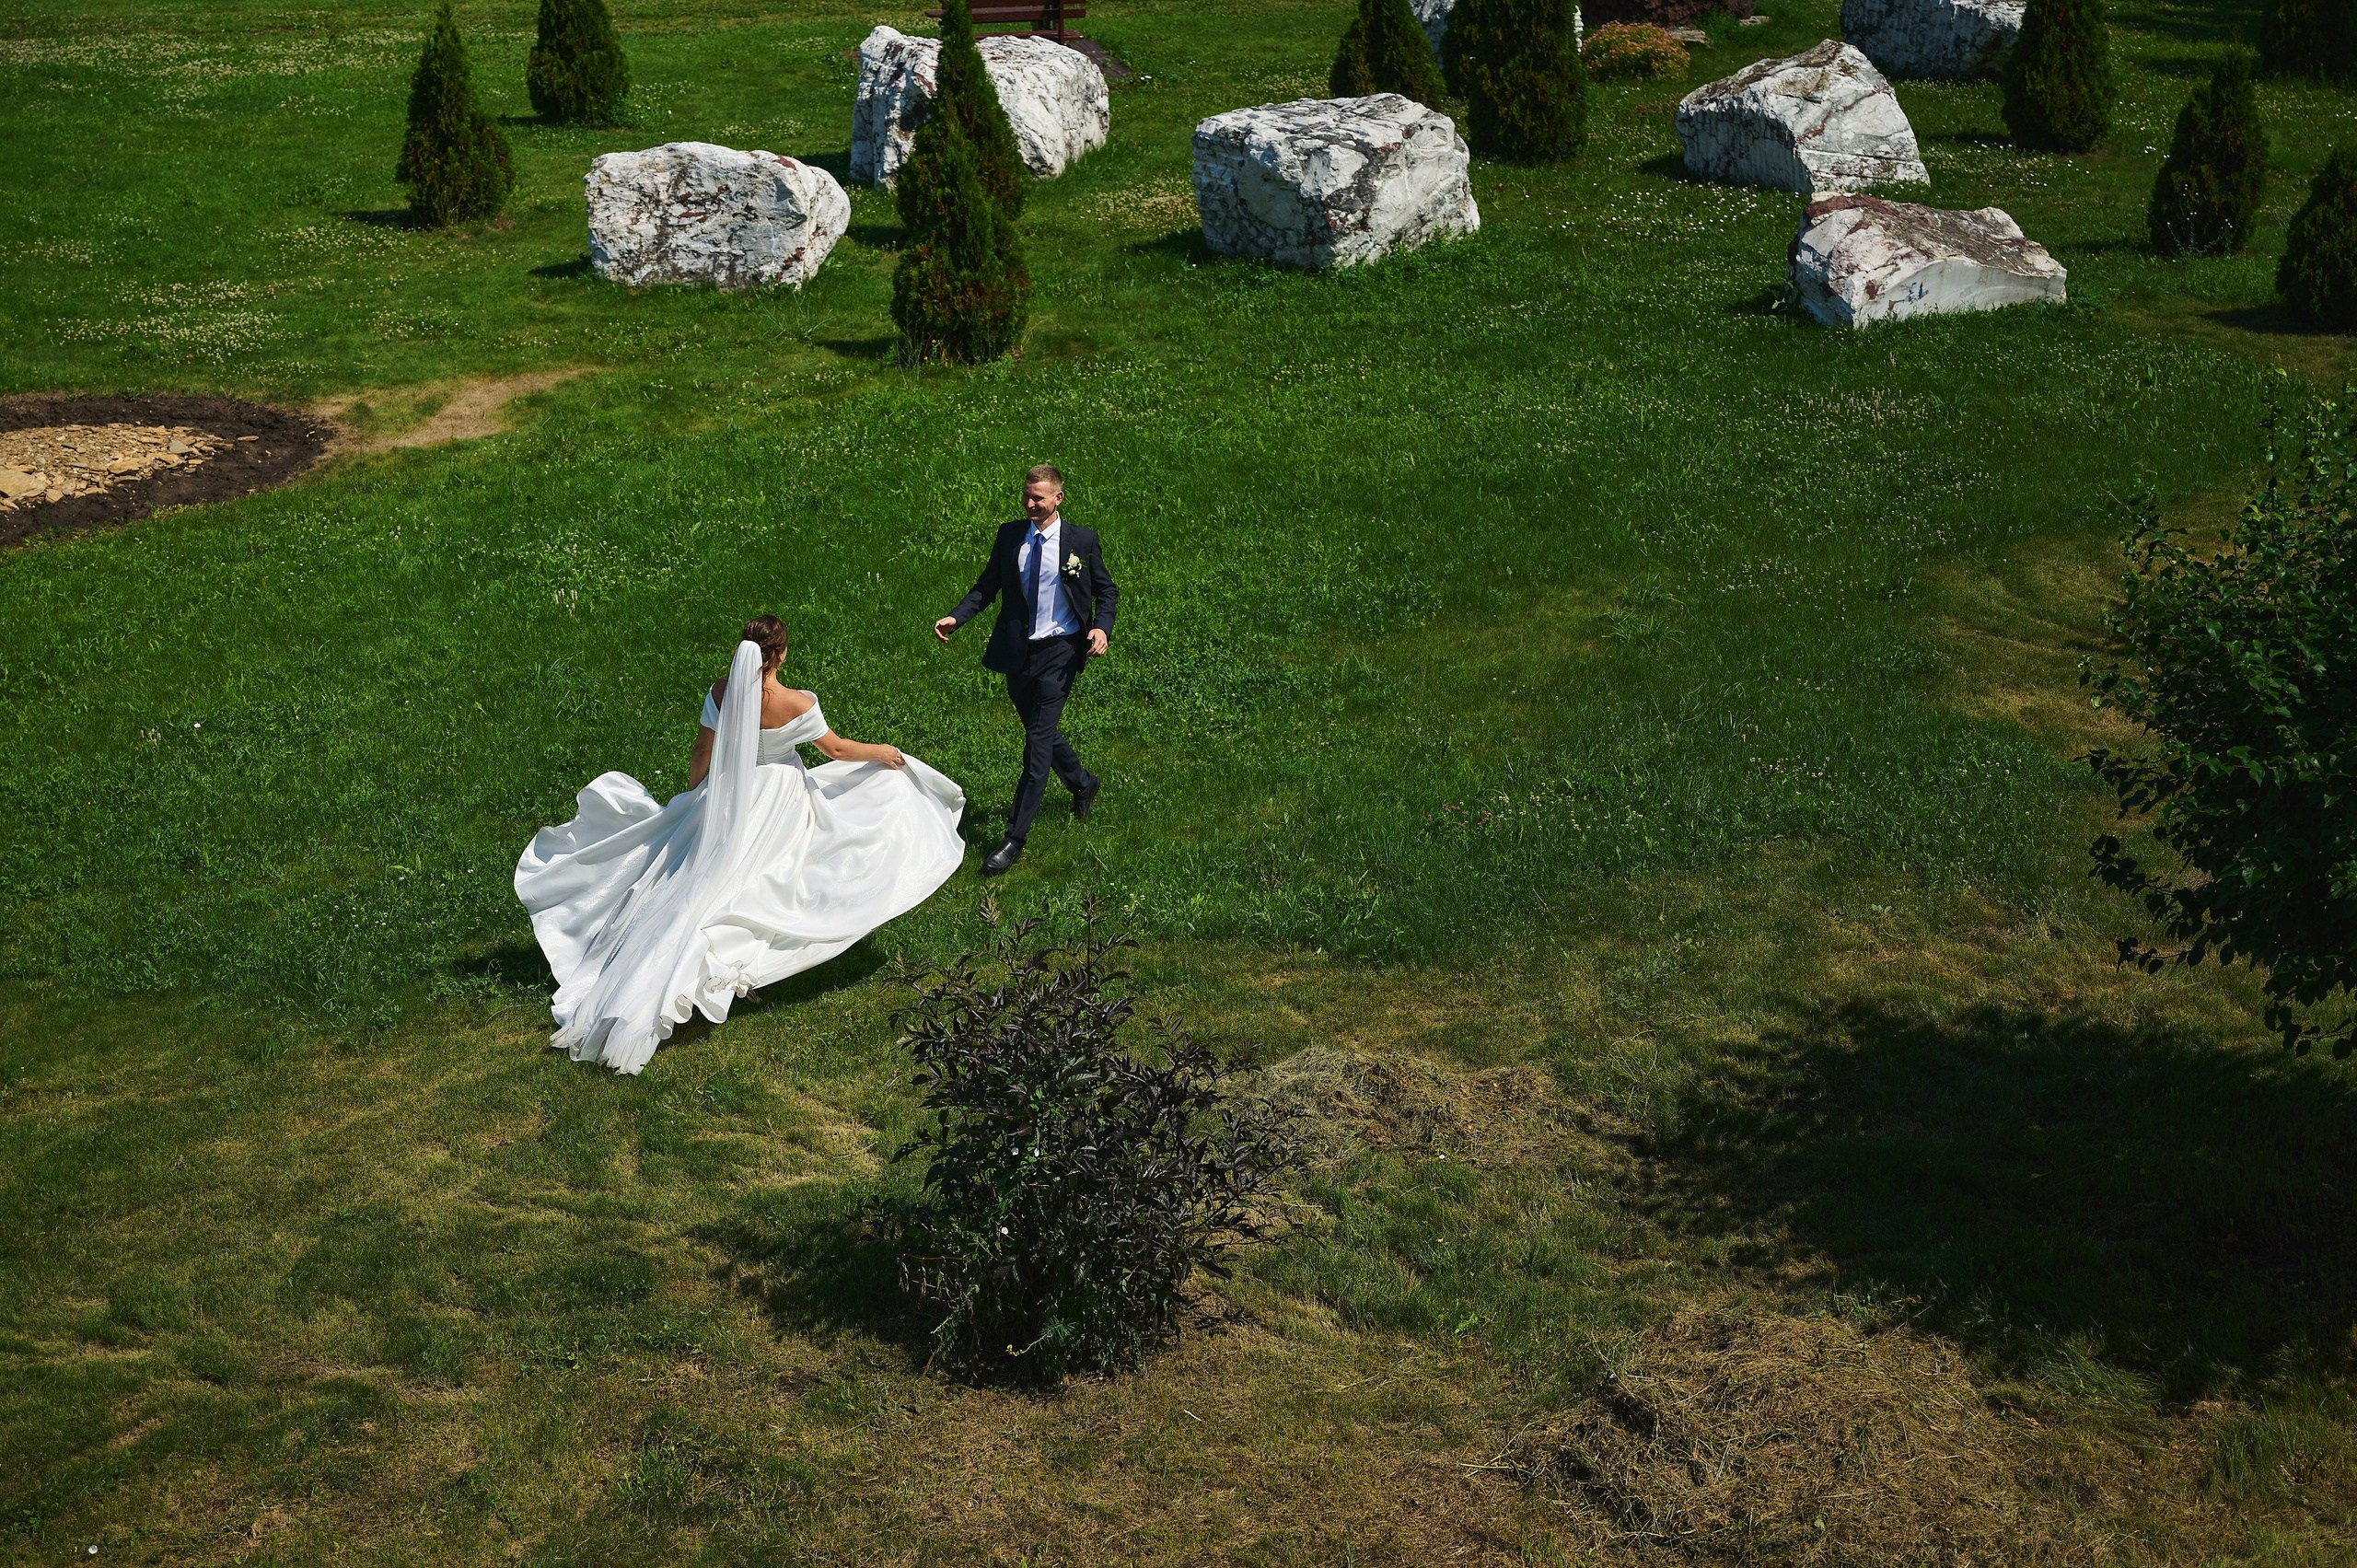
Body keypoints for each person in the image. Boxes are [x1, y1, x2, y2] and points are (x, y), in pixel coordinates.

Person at [514, 615, 966, 1074]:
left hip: (730, 794)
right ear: (782, 654)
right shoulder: (797, 702)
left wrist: (693, 799)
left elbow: (702, 752)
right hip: (780, 801)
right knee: (774, 872)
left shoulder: (721, 691)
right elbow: (836, 751)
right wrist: (883, 752)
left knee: (697, 878)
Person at [933, 463, 1118, 874]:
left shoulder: (1081, 541)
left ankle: (1013, 839)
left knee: (1036, 747)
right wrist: (957, 617)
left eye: (1039, 497)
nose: (1031, 504)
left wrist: (1101, 629)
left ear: (1058, 499)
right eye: (1027, 496)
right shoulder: (1010, 535)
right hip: (1019, 652)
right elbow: (987, 585)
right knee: (1043, 733)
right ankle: (1084, 783)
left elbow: (1105, 590)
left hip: (1061, 652)